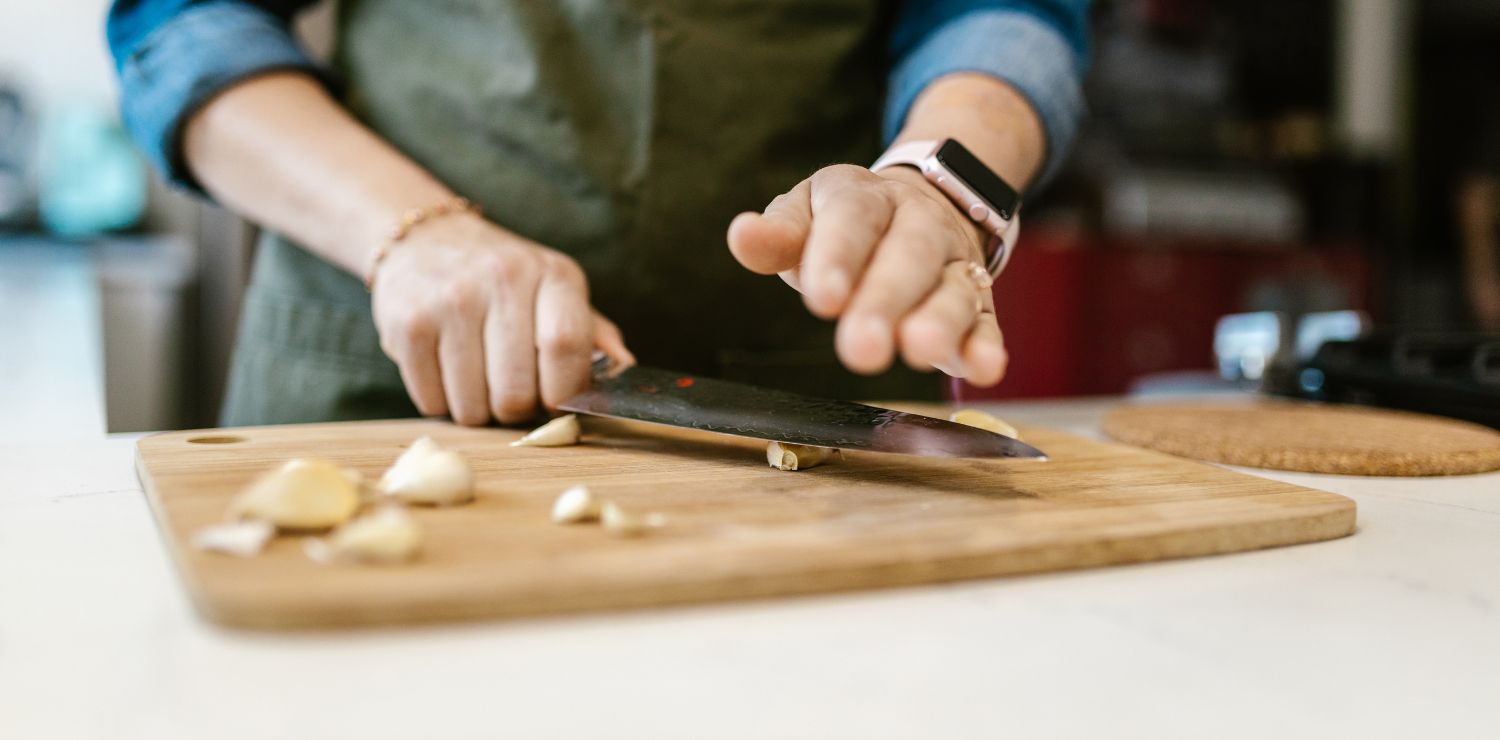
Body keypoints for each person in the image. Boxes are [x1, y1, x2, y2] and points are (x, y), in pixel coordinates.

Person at [107, 0, 1090, 426]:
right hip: (381, 379)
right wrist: (411, 231)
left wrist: (941, 180)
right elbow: (185, 19)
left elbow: (1007, 7)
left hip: (812, 385)